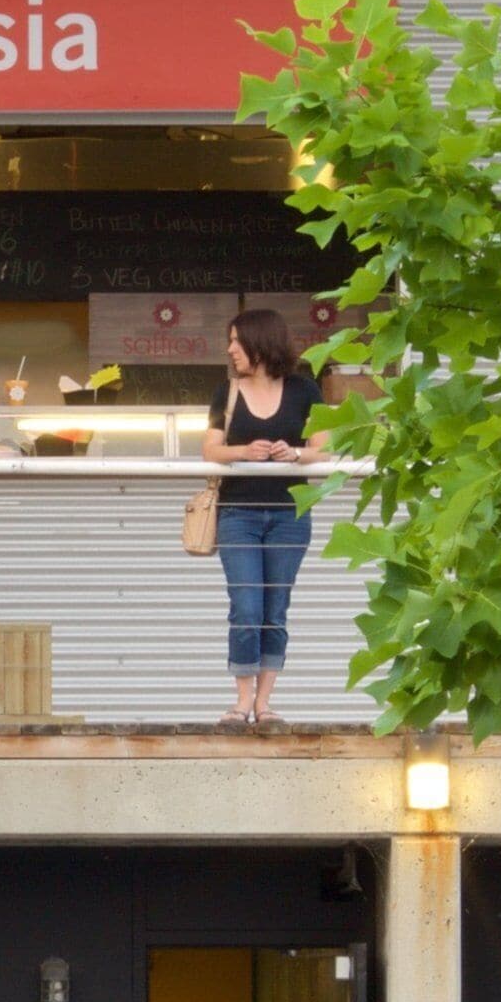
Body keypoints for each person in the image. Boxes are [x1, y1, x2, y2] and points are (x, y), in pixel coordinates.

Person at [201, 305, 328, 726]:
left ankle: (264, 703)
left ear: (260, 342)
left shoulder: (305, 390)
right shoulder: (227, 392)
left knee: (276, 607)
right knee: (246, 606)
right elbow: (210, 451)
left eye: (237, 340)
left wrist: (295, 453)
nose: (230, 349)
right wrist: (244, 452)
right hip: (238, 512)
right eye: (231, 340)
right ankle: (240, 700)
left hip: (289, 513)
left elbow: (323, 449)